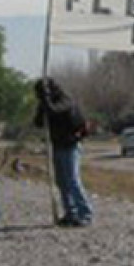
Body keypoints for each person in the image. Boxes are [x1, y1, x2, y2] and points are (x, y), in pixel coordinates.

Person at [34, 77, 94, 227]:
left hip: (71, 146)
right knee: (61, 181)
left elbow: (55, 111)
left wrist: (46, 98)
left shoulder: (66, 101)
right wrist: (42, 103)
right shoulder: (47, 103)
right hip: (57, 146)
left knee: (72, 180)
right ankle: (70, 213)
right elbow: (38, 122)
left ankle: (85, 213)